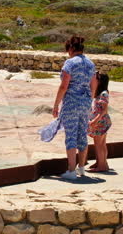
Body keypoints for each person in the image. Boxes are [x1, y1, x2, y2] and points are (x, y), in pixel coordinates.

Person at [52, 36, 97, 180]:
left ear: (71, 48)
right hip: (85, 103)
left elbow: (64, 86)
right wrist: (89, 100)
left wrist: (56, 104)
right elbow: (93, 84)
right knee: (82, 134)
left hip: (71, 102)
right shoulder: (90, 64)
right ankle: (81, 168)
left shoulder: (70, 63)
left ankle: (71, 170)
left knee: (70, 135)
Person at [88, 72, 111, 172]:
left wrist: (94, 121)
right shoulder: (100, 93)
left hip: (100, 122)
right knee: (101, 144)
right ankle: (101, 162)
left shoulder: (104, 94)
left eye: (96, 78)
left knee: (99, 144)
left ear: (100, 81)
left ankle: (102, 166)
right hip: (101, 122)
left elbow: (104, 110)